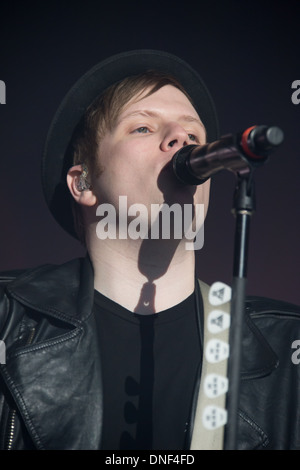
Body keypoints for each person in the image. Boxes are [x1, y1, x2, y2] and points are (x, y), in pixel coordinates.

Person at [0, 49, 299, 451]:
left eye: (193, 136)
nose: (181, 140)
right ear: (83, 183)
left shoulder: (288, 343)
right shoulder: (7, 319)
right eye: (142, 128)